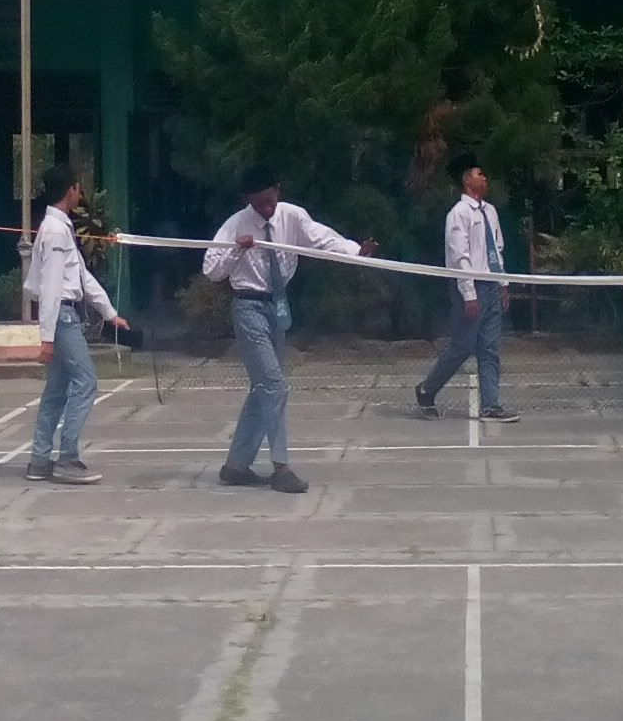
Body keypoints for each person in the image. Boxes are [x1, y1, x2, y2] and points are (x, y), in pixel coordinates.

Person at [203, 163, 374, 494]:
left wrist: (356, 250)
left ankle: (236, 465)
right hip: (248, 306)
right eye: (258, 204)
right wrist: (237, 249)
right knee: (274, 384)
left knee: (264, 387)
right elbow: (211, 270)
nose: (266, 208)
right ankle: (281, 466)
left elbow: (322, 239)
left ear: (278, 191)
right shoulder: (235, 224)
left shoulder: (293, 216)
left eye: (270, 201)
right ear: (248, 201)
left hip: (277, 306)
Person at [23, 163, 127, 485]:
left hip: (64, 314)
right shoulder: (55, 230)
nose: (80, 193)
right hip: (63, 317)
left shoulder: (60, 227)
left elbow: (81, 275)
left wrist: (108, 312)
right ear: (70, 190)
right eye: (78, 188)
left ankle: (40, 459)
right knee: (85, 382)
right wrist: (47, 337)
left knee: (56, 390)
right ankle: (67, 458)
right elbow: (52, 286)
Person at [415, 153, 519, 422]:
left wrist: (503, 283)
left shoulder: (490, 211)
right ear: (466, 180)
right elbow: (459, 256)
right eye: (478, 173)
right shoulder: (458, 214)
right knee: (462, 346)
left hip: (491, 284)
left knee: (490, 347)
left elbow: (497, 250)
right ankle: (427, 389)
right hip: (470, 287)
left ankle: (490, 405)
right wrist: (469, 293)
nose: (484, 177)